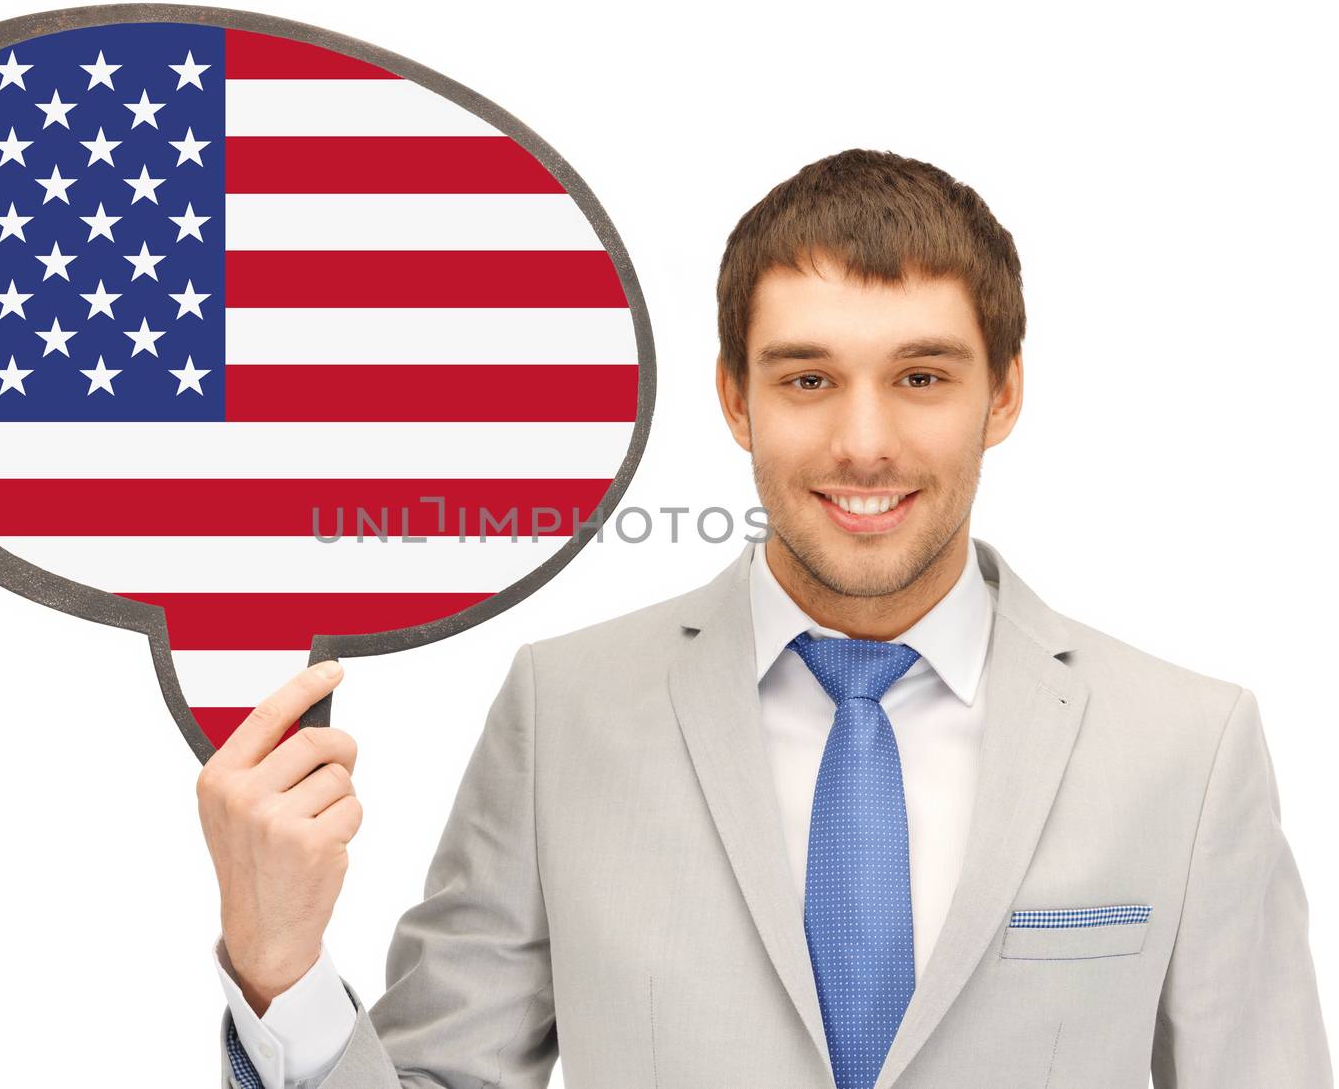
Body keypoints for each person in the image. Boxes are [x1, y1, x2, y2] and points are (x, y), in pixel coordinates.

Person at [195, 148, 1332, 1089]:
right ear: (736, 398)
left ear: (1005, 394)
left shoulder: (1187, 743)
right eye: (806, 379)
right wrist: (279, 971)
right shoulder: (565, 712)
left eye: (923, 377)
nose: (864, 443)